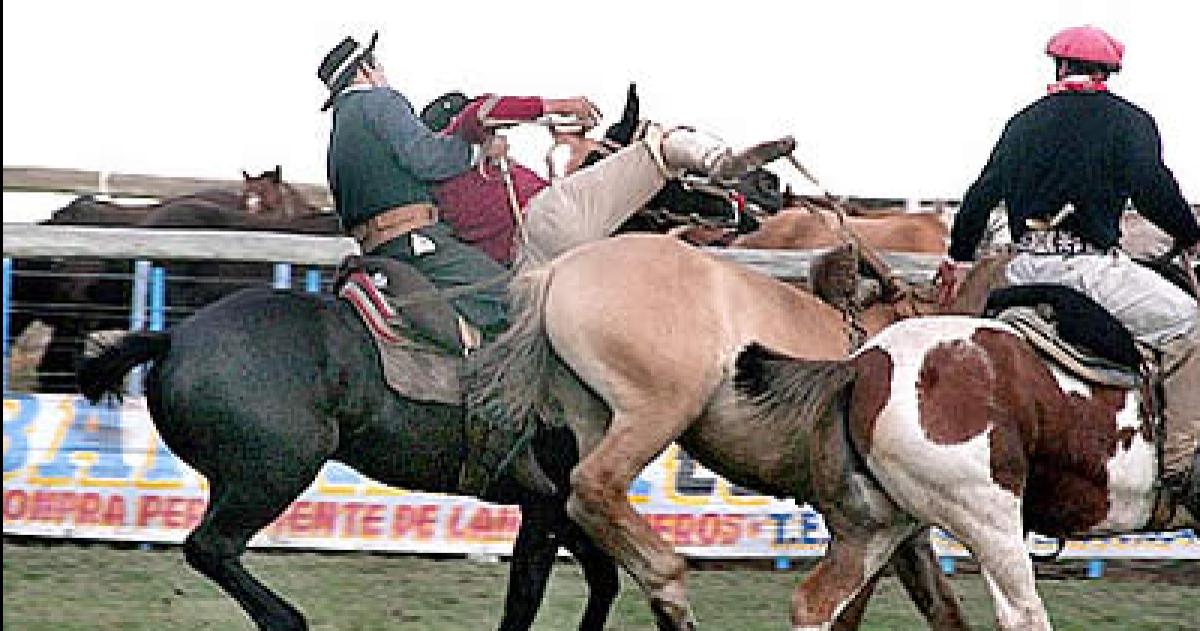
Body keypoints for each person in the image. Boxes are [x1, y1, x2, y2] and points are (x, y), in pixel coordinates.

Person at [938, 25, 1200, 516]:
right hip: (1087, 270)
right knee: (1192, 326)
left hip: (1019, 271)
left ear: (1059, 66)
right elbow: (1154, 191)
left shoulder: (1023, 123)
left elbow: (980, 195)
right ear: (1108, 72)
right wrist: (1189, 234)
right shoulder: (1129, 123)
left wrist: (958, 257)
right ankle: (1182, 468)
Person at [420, 90, 798, 270]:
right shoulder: (460, 141)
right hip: (546, 220)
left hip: (527, 270)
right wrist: (557, 107)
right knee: (658, 144)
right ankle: (722, 164)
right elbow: (485, 110)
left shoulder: (436, 196)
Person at [317, 32, 511, 344]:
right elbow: (424, 156)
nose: (382, 72)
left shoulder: (341, 125)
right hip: (414, 242)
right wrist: (478, 151)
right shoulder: (380, 101)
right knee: (510, 294)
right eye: (377, 65)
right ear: (365, 69)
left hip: (375, 248)